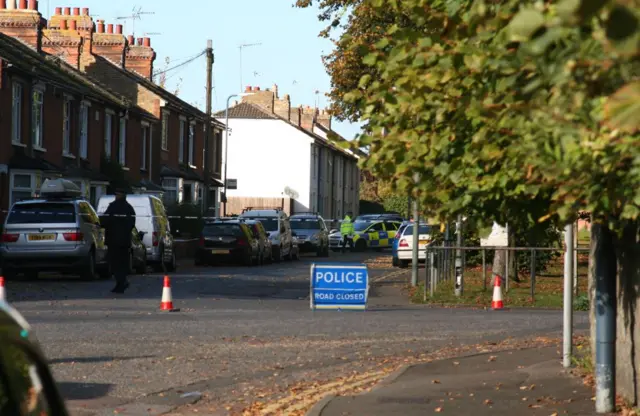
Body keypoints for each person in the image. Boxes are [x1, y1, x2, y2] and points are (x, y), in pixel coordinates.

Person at [100, 188, 136, 294]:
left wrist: (99, 221)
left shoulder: (113, 207)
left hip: (114, 240)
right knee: (122, 263)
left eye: (117, 194)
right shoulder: (129, 208)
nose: (116, 196)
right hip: (124, 241)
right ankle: (121, 282)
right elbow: (132, 224)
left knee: (115, 263)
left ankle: (121, 283)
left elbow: (105, 220)